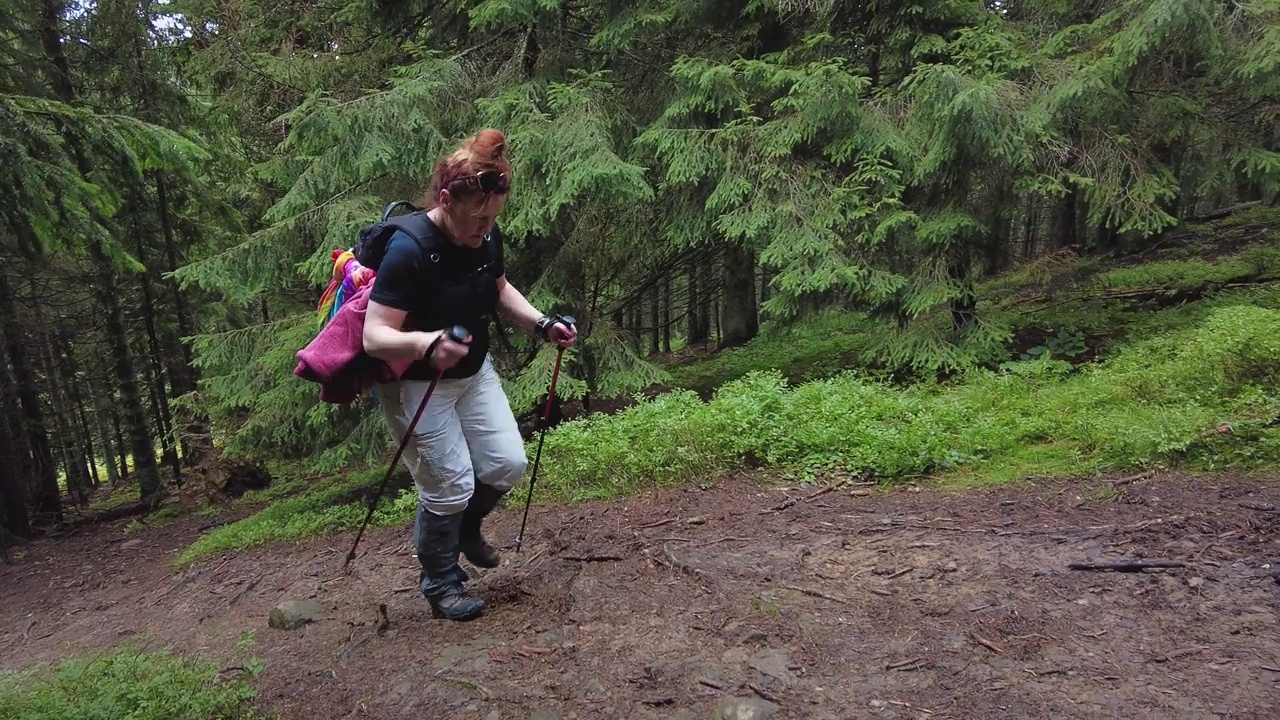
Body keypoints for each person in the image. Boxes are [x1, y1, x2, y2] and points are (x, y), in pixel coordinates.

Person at [361, 128, 576, 621]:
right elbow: (375, 337)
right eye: (477, 216)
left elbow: (499, 289)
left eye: (492, 217)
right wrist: (426, 343)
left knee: (506, 464)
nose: (485, 227)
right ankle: (441, 584)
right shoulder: (410, 251)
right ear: (445, 200)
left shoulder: (485, 234)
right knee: (450, 485)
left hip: (473, 373)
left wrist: (542, 324)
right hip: (416, 385)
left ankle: (464, 529)